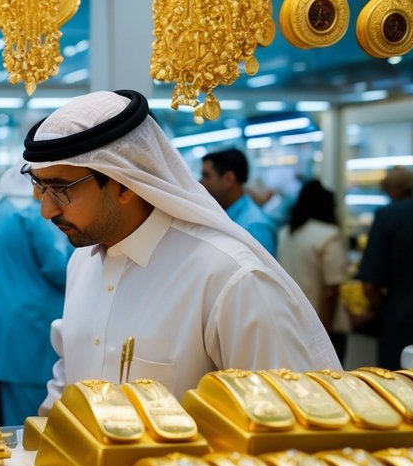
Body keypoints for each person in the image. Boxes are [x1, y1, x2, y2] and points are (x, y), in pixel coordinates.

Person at [22, 90, 339, 412]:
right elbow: (67, 391)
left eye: (61, 190)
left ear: (125, 183)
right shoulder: (82, 262)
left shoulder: (229, 278)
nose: (46, 210)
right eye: (40, 188)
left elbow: (282, 425)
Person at [0, 166, 72, 426]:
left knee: (11, 413)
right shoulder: (30, 214)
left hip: (3, 321)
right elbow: (59, 269)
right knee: (34, 419)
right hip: (33, 324)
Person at [358, 137, 413, 370]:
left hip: (403, 332)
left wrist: (391, 310)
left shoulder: (390, 216)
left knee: (400, 399)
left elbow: (370, 284)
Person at [277, 180, 350, 361]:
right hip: (323, 326)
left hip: (292, 323)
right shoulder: (328, 235)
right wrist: (322, 334)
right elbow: (330, 291)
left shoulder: (285, 234)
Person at [200, 147, 278, 255]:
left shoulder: (255, 227)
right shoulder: (225, 216)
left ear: (228, 179)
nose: (200, 182)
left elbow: (261, 272)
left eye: (206, 176)